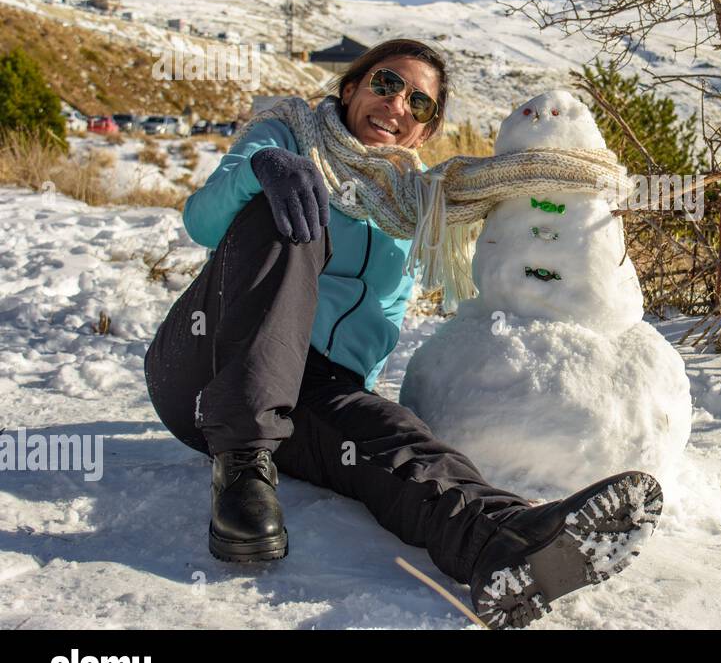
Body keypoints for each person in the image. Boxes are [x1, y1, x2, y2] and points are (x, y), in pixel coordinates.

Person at [143, 38, 661, 629]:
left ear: (424, 130)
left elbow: (515, 179)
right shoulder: (285, 135)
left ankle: (503, 542)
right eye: (386, 84)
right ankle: (239, 470)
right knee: (286, 209)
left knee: (395, 438)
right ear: (351, 88)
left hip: (310, 387)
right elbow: (202, 221)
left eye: (419, 103)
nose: (397, 106)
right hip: (206, 367)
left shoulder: (420, 201)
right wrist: (262, 169)